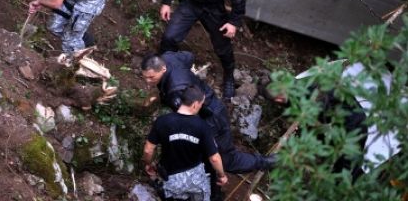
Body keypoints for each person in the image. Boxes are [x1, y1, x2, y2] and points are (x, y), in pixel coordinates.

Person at [142, 52, 276, 201]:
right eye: (145, 77)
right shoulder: (168, 58)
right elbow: (189, 56)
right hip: (202, 108)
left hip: (211, 116)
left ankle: (266, 162)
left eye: (152, 77)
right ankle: (214, 194)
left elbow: (188, 119)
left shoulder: (176, 91)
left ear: (163, 69)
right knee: (204, 157)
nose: (148, 82)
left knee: (225, 159)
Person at [159, 0, 245, 98]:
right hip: (191, 3)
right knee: (169, 37)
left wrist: (234, 22)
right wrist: (166, 2)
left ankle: (229, 76)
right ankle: (165, 67)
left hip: (214, 9)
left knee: (222, 46)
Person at [260, 79, 368, 180]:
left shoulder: (307, 89)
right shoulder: (290, 98)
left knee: (347, 164)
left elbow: (322, 108)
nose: (279, 99)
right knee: (336, 160)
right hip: (335, 127)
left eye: (279, 95)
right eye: (275, 99)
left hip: (354, 123)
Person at [143, 85, 228, 201]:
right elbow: (214, 159)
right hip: (195, 181)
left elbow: (148, 150)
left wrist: (148, 164)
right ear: (195, 104)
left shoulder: (162, 121)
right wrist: (222, 175)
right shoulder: (203, 127)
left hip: (170, 179)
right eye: (201, 104)